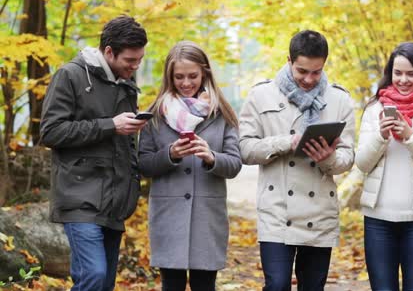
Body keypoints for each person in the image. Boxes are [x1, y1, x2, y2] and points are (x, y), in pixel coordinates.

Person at [239, 30, 355, 290]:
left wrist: (329, 158)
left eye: (316, 72)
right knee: (277, 284)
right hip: (277, 210)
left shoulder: (339, 99)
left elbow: (348, 158)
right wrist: (285, 143)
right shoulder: (261, 95)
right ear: (289, 60)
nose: (309, 79)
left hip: (320, 212)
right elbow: (244, 149)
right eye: (302, 71)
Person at [40, 15, 148, 291]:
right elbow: (51, 132)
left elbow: (128, 142)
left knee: (104, 284)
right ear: (109, 51)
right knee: (94, 277)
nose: (135, 66)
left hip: (115, 201)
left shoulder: (127, 81)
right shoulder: (70, 75)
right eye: (130, 61)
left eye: (139, 60)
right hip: (79, 198)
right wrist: (110, 125)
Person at [138, 41, 242, 290]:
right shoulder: (156, 114)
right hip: (168, 216)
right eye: (179, 77)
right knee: (171, 285)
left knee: (204, 286)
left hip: (207, 217)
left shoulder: (222, 114)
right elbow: (142, 164)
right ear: (169, 77)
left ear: (205, 73)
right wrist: (170, 155)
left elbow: (235, 163)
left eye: (193, 76)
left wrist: (212, 157)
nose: (186, 83)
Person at [355, 42, 413, 290]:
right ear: (390, 73)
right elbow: (362, 164)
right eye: (398, 73)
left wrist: (411, 136)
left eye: (411, 73)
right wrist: (380, 136)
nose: (404, 79)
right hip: (378, 220)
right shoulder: (375, 109)